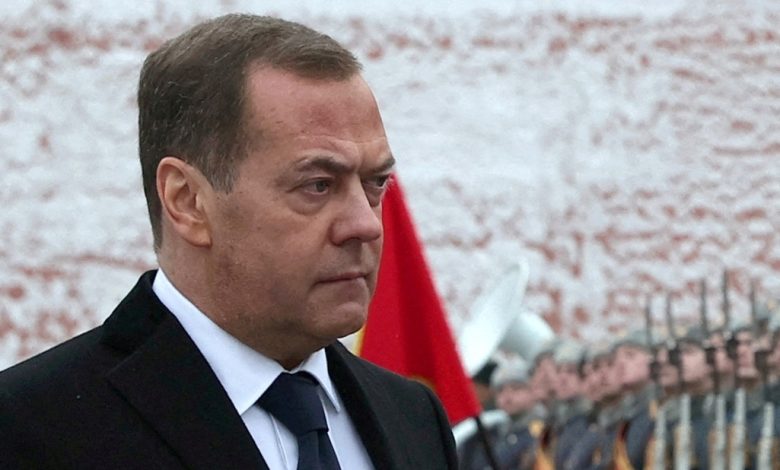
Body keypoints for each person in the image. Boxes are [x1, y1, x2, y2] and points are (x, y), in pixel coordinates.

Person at [0, 14, 457, 470]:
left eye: (375, 183)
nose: (365, 224)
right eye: (318, 185)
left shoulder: (414, 416)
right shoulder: (32, 429)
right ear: (187, 201)